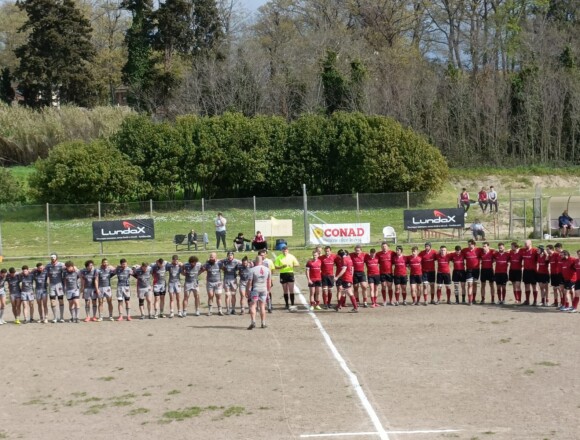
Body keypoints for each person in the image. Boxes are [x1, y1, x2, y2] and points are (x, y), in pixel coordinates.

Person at [246, 255, 271, 329]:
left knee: (253, 305)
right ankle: (263, 323)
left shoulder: (252, 270)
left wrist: (248, 291)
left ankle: (253, 321)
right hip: (264, 289)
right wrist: (268, 291)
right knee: (262, 306)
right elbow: (269, 281)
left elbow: (250, 282)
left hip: (255, 289)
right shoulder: (267, 269)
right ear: (262, 261)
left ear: (255, 261)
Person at [274, 245, 299, 310]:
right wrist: (282, 267)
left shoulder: (291, 256)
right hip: (283, 274)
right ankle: (287, 304)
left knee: (291, 289)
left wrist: (292, 265)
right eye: (283, 251)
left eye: (286, 251)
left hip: (290, 273)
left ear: (288, 251)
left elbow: (297, 264)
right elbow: (276, 267)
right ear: (282, 251)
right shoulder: (279, 257)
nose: (285, 252)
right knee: (285, 290)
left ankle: (292, 304)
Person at [45, 253, 65, 323]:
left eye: (54, 258)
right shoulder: (48, 266)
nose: (53, 260)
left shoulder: (61, 264)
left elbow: (67, 269)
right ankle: (55, 317)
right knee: (52, 301)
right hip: (52, 285)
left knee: (60, 300)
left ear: (56, 258)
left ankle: (61, 317)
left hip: (59, 285)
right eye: (51, 258)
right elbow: (45, 274)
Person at [462, 239, 482, 305]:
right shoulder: (465, 250)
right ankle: (470, 300)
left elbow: (488, 250)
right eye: (469, 244)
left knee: (475, 284)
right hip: (469, 270)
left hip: (476, 270)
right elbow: (457, 252)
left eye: (471, 244)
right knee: (470, 284)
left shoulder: (478, 250)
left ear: (474, 244)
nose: (469, 245)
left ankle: (474, 299)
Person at [521, 239, 538, 305]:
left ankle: (535, 301)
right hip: (526, 270)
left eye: (526, 243)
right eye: (524, 243)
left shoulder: (535, 251)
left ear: (530, 243)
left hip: (533, 271)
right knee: (526, 285)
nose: (525, 245)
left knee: (534, 286)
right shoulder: (523, 250)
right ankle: (527, 300)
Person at [257, 249, 275, 313]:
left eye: (264, 255)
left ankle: (269, 306)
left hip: (267, 279)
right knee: (258, 292)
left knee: (268, 292)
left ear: (266, 254)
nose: (263, 256)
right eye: (261, 255)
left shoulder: (269, 261)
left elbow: (272, 270)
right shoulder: (256, 261)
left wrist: (270, 278)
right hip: (259, 280)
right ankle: (259, 306)